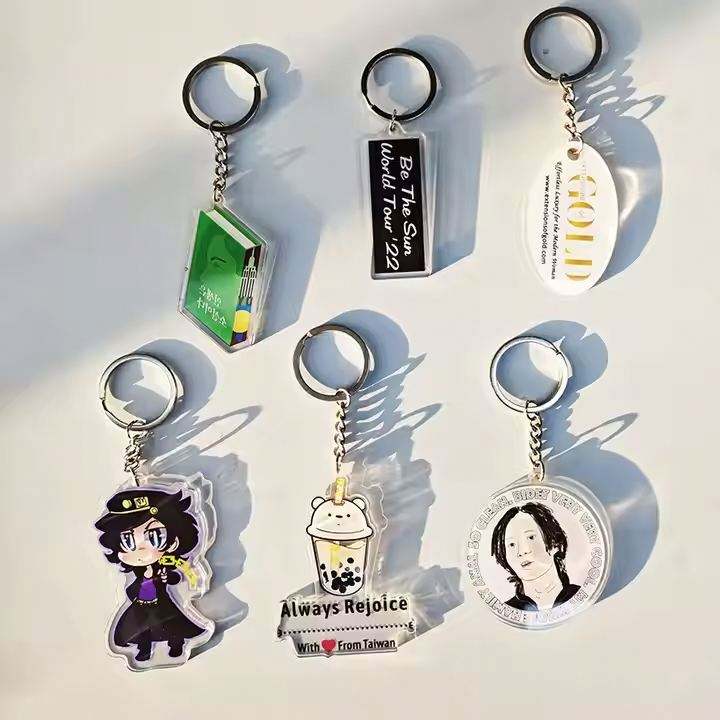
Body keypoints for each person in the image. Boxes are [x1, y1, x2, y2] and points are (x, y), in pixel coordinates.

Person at [95, 488, 208, 662]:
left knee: (171, 625)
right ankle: (144, 650)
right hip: (141, 605)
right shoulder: (137, 571)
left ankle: (176, 644)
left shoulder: (165, 564)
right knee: (140, 629)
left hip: (161, 604)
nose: (141, 549)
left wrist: (185, 581)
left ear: (174, 541)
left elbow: (180, 574)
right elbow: (134, 586)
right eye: (128, 541)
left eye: (155, 537)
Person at [491, 502, 580, 611]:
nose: (522, 552)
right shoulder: (507, 610)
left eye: (531, 538)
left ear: (555, 544)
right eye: (512, 544)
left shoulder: (580, 595)